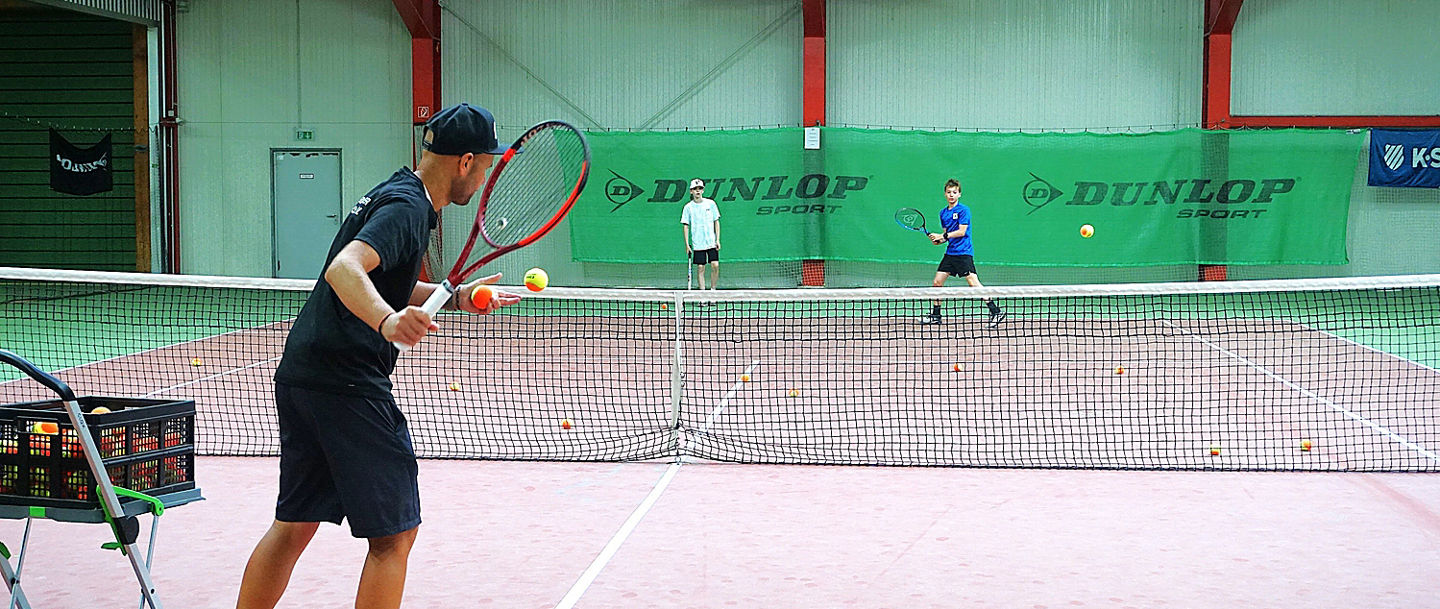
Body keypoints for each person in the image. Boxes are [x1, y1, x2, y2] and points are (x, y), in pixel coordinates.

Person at [236, 103, 521, 609]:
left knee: (294, 525)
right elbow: (345, 269)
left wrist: (455, 297)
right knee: (394, 537)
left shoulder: (399, 191)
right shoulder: (409, 209)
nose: (482, 180)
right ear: (465, 162)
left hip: (304, 373)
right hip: (347, 381)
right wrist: (387, 321)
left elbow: (386, 277)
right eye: (484, 168)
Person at [924, 178, 1004, 328]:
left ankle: (995, 311)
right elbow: (947, 235)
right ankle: (936, 315)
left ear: (959, 194)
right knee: (937, 282)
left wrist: (943, 237)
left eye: (954, 192)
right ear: (945, 194)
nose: (951, 195)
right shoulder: (943, 213)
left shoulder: (963, 210)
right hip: (950, 253)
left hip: (963, 253)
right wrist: (938, 240)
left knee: (973, 283)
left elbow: (961, 232)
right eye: (949, 192)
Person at [681, 178, 720, 290]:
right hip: (698, 243)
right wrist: (687, 244)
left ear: (703, 190)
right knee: (701, 267)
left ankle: (713, 290)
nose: (697, 191)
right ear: (691, 191)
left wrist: (717, 240)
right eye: (695, 189)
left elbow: (716, 221)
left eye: (700, 188)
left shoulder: (711, 204)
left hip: (711, 242)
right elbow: (686, 226)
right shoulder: (688, 207)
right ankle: (702, 294)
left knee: (715, 265)